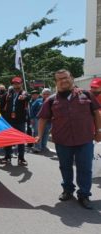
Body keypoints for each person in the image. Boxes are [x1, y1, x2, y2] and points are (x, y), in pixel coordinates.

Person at [36, 69, 101, 209]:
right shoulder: (51, 99)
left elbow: (96, 112)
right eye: (59, 79)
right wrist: (40, 136)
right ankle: (68, 190)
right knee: (65, 167)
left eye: (65, 77)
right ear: (56, 82)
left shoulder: (86, 94)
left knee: (85, 168)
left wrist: (98, 130)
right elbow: (42, 119)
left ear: (71, 78)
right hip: (62, 141)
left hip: (85, 139)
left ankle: (84, 194)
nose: (63, 81)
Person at [0, 76, 30, 166]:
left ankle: (21, 158)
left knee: (21, 140)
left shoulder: (24, 93)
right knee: (8, 139)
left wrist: (24, 97)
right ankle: (7, 157)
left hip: (20, 120)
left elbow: (28, 98)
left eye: (18, 83)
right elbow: (1, 104)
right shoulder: (8, 93)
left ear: (21, 83)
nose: (16, 85)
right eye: (14, 83)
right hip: (9, 120)